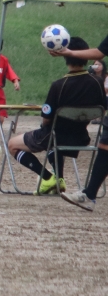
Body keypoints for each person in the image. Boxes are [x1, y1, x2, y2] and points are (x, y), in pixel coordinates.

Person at [5, 38, 101, 195]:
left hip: (55, 136)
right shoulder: (98, 83)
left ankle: (48, 178)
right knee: (53, 137)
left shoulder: (59, 85)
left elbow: (46, 118)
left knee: (12, 144)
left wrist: (45, 125)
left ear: (65, 56)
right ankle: (59, 179)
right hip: (81, 137)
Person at [51, 33, 108, 210]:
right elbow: (99, 52)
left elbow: (99, 53)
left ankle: (89, 195)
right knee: (105, 146)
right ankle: (89, 195)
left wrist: (69, 53)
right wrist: (69, 52)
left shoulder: (59, 85)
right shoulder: (96, 82)